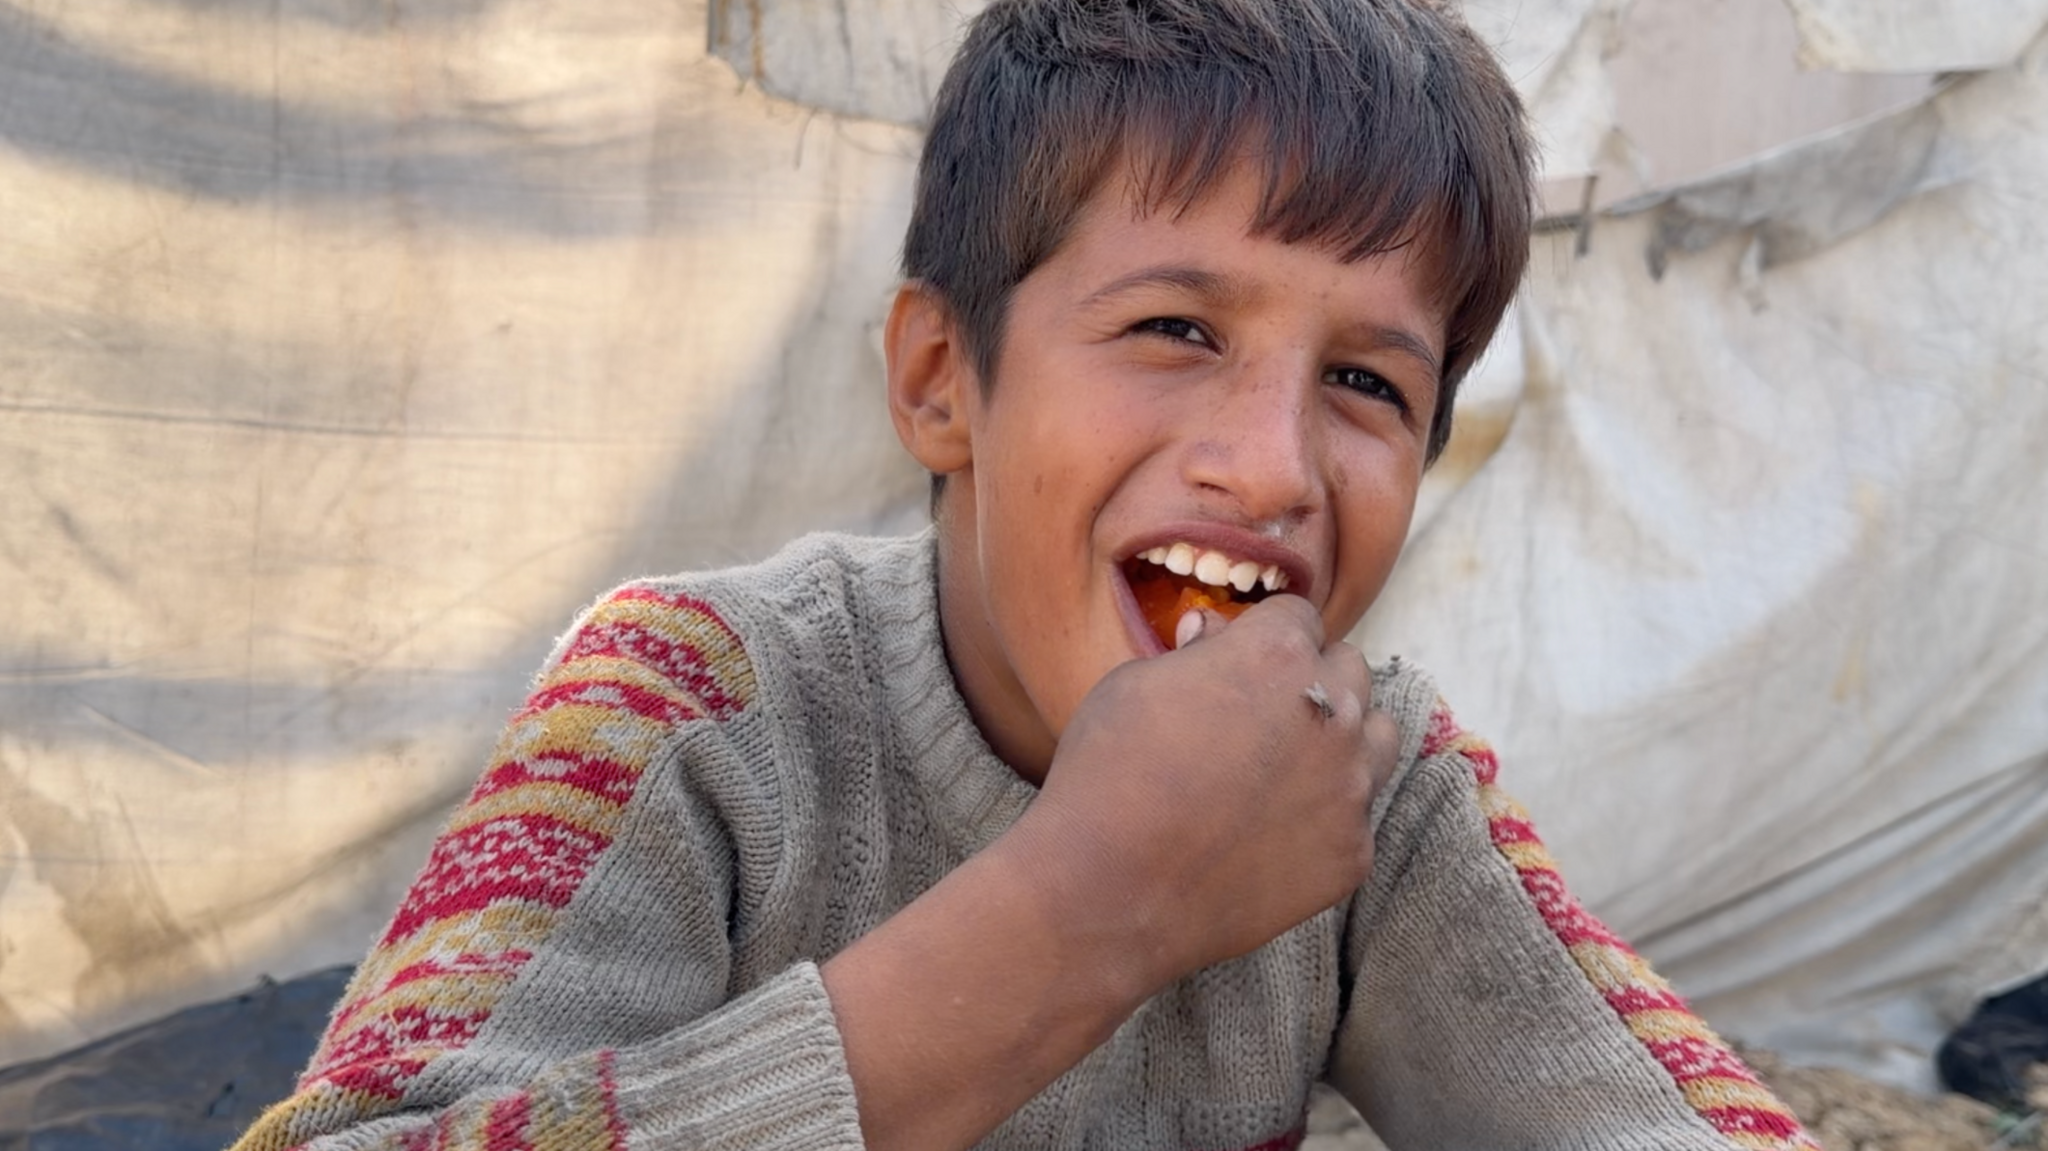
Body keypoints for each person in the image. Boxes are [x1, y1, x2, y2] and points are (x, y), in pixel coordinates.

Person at [232, 1, 1820, 1148]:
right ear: (941, 381)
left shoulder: (1372, 792)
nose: (1270, 467)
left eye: (1368, 385)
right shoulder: (692, 698)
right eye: (1174, 329)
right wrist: (1093, 908)